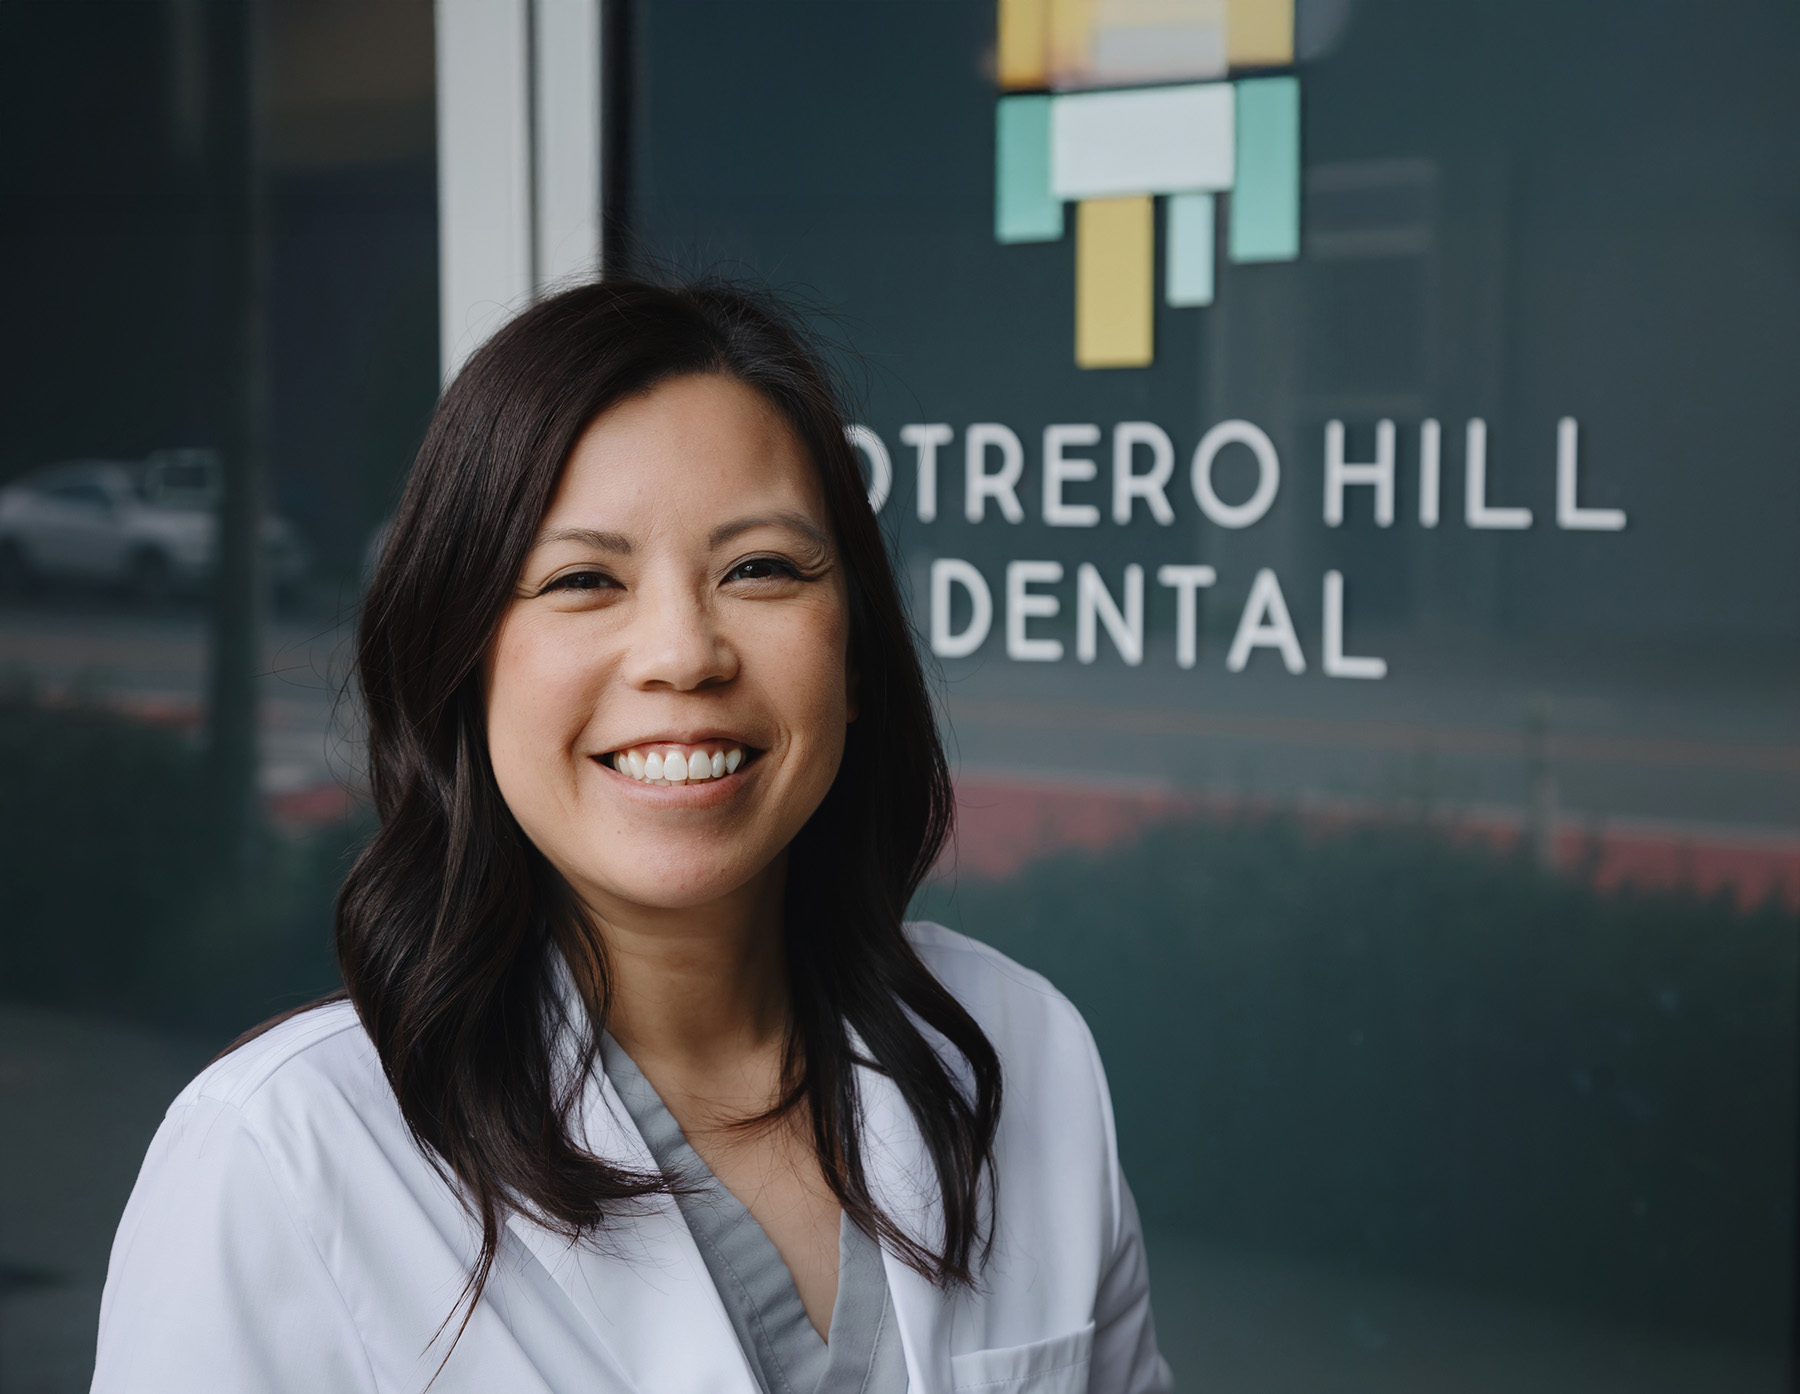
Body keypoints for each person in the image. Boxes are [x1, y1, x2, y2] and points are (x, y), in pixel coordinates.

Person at [90, 280, 1172, 1394]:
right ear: (462, 667)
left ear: (854, 658)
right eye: (582, 579)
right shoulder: (278, 1157)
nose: (683, 652)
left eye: (759, 568)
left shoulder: (1023, 1050)